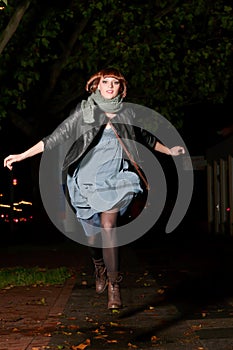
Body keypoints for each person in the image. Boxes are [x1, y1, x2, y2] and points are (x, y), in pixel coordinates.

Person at [4, 67, 185, 309]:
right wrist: (23, 155)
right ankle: (98, 265)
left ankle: (114, 284)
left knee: (109, 226)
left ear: (121, 88)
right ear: (96, 85)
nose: (110, 86)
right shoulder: (84, 111)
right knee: (92, 235)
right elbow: (56, 137)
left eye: (115, 83)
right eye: (105, 82)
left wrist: (170, 150)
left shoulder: (127, 113)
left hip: (115, 178)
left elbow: (146, 139)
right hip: (87, 179)